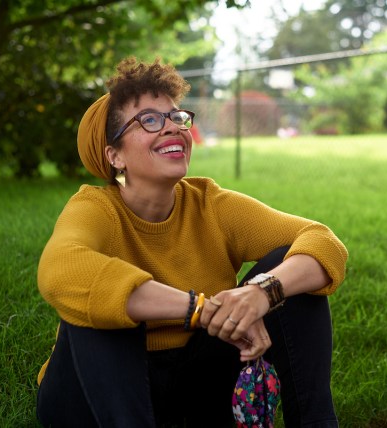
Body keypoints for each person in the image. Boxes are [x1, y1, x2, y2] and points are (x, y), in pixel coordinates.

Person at [35, 57, 348, 428]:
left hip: (196, 384)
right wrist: (200, 309)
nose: (172, 128)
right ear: (114, 155)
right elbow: (61, 270)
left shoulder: (209, 203)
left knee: (289, 271)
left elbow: (322, 240)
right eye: (149, 120)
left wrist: (263, 292)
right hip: (97, 396)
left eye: (176, 117)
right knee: (101, 302)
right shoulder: (95, 208)